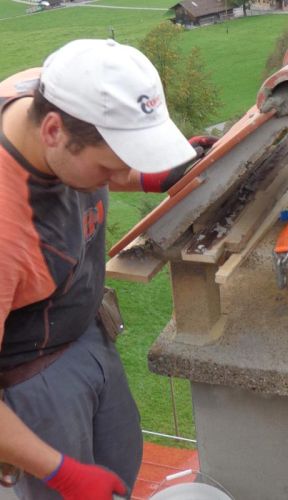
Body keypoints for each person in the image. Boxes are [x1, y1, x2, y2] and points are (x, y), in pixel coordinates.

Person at [0, 39, 216, 499]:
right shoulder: (5, 228)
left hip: (85, 328)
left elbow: (100, 153)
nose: (117, 176)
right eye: (107, 168)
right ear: (53, 132)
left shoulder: (52, 91)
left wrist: (152, 174)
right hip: (33, 377)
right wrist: (60, 471)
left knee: (122, 457)